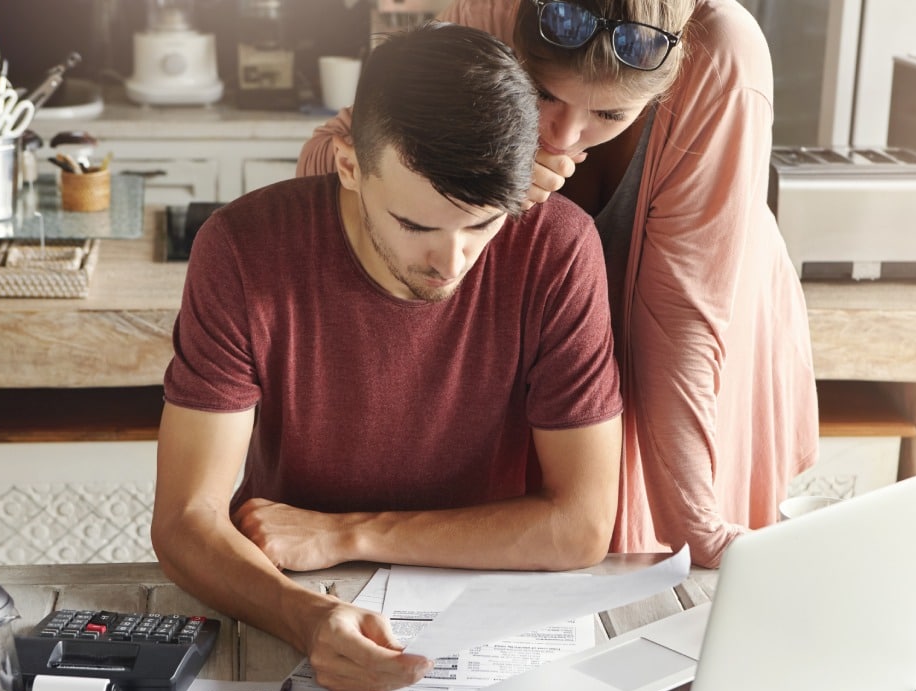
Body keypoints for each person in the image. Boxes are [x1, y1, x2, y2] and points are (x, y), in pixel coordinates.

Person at [153, 22, 624, 691]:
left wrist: (346, 534)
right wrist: (308, 619)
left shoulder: (560, 250)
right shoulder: (241, 249)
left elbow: (580, 528)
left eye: (483, 224)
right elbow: (184, 520)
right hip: (295, 594)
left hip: (490, 617)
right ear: (348, 164)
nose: (452, 262)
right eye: (416, 225)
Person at [298, 0, 820, 569]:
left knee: (672, 569)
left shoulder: (720, 53)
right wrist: (486, 175)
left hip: (702, 329)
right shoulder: (484, 14)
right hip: (555, 347)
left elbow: (682, 321)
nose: (566, 133)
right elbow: (336, 157)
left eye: (612, 114)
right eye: (542, 92)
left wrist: (698, 526)